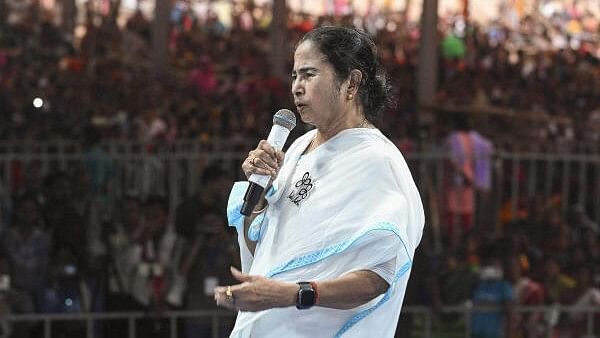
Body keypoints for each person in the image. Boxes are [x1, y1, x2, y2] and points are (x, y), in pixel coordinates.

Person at [215, 26, 425, 338]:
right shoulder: (298, 147)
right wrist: (257, 196)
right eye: (294, 76)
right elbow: (261, 248)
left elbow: (379, 276)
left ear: (351, 82)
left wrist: (293, 294)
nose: (297, 88)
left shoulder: (378, 162)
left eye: (309, 74)